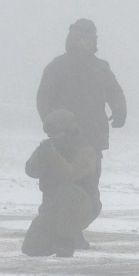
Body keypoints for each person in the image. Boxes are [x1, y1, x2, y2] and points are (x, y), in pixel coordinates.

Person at [36, 18, 126, 249]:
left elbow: (115, 93)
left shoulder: (100, 68)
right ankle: (59, 232)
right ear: (77, 39)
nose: (94, 41)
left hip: (91, 142)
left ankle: (69, 230)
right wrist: (53, 127)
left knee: (89, 193)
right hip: (63, 142)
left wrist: (120, 112)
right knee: (57, 189)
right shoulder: (57, 67)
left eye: (94, 37)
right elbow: (44, 99)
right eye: (89, 37)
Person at [22, 109, 101, 257]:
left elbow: (69, 176)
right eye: (50, 135)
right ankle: (71, 238)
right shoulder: (51, 148)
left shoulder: (85, 151)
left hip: (83, 206)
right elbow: (31, 171)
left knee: (66, 191)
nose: (53, 138)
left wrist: (53, 156)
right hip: (53, 208)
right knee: (31, 248)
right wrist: (40, 154)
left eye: (56, 134)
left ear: (70, 132)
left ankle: (66, 243)